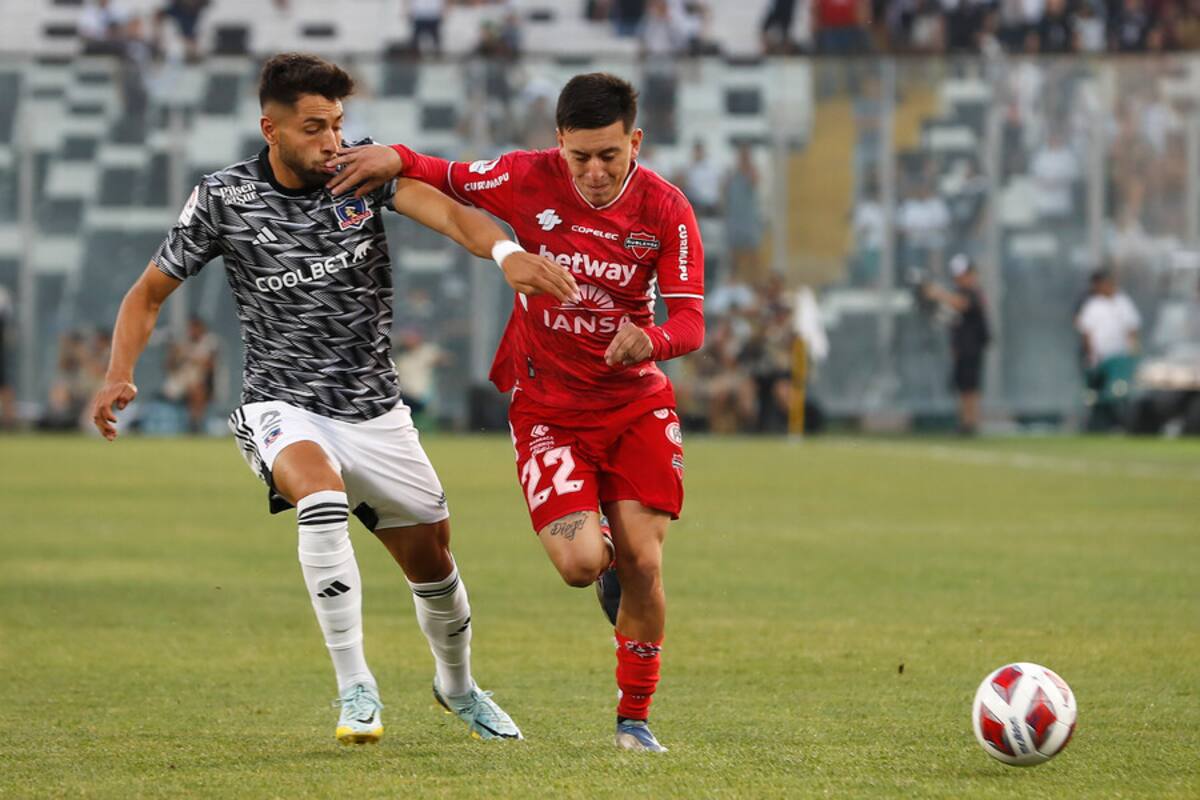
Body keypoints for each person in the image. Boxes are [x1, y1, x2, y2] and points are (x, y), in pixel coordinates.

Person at [88, 53, 579, 746]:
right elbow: (148, 292)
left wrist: (506, 258)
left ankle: (458, 688)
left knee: (433, 564)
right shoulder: (224, 199)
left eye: (338, 124)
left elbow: (455, 216)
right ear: (272, 129)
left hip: (376, 410)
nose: (331, 141)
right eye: (315, 127)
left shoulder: (363, 175)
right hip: (281, 403)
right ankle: (356, 686)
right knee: (317, 499)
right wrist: (118, 372)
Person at [327, 72, 706, 752]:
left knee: (645, 563)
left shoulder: (666, 210)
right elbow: (436, 171)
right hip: (548, 410)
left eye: (609, 156)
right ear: (559, 142)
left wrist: (650, 339)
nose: (593, 171)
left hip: (634, 405)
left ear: (635, 143)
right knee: (581, 564)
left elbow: (691, 320)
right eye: (579, 155)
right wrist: (391, 155)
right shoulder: (523, 177)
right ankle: (607, 558)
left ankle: (634, 721)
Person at [922, 254, 991, 435]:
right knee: (963, 387)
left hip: (972, 348)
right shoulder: (959, 292)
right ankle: (965, 423)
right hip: (962, 347)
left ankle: (971, 423)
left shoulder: (973, 293)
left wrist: (938, 292)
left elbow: (962, 305)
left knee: (970, 386)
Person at [162, 315, 219, 432]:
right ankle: (187, 423)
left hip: (203, 381)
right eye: (191, 328)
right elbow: (169, 367)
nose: (192, 331)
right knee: (186, 388)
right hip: (181, 381)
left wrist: (190, 356)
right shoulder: (182, 343)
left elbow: (210, 366)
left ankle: (195, 422)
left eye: (195, 328)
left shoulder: (209, 342)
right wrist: (174, 354)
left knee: (197, 389)